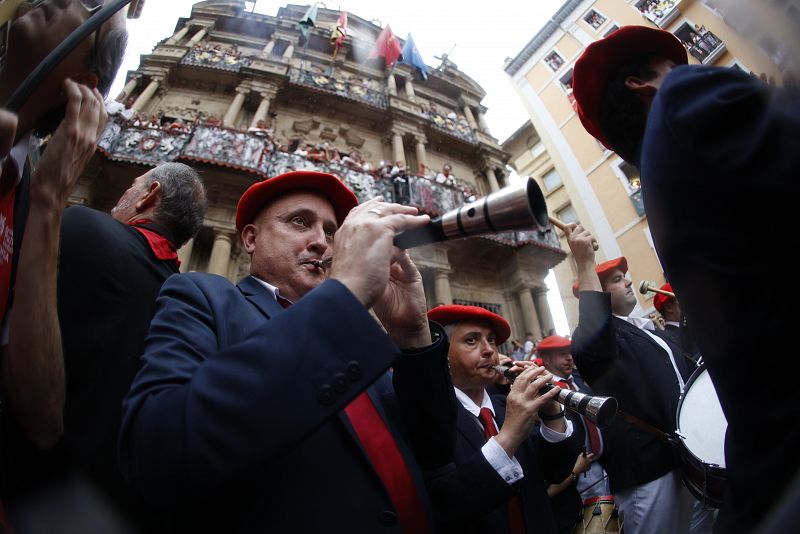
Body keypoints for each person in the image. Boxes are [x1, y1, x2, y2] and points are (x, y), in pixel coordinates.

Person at [119, 171, 456, 532]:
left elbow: (435, 451)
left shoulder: (362, 332)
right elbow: (157, 453)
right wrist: (346, 292)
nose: (322, 244)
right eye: (299, 222)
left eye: (331, 232)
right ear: (251, 238)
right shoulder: (202, 296)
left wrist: (413, 335)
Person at [571, 25, 800, 530]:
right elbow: (590, 352)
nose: (695, 70)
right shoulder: (682, 97)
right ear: (641, 83)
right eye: (678, 64)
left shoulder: (662, 176)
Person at [2, 164, 206, 525]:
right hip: (92, 507)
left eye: (133, 185)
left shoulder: (83, 226)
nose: (124, 194)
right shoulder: (187, 303)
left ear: (149, 195)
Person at [0, 0, 127, 479]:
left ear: (84, 84)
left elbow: (43, 418)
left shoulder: (28, 194)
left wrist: (52, 199)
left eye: (92, 8)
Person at [565, 228, 701, 534]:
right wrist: (585, 262)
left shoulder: (648, 331)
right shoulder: (600, 335)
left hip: (680, 458)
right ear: (597, 294)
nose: (627, 281)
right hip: (647, 469)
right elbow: (592, 341)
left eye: (624, 276)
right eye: (615, 279)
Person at [425, 304, 574, 534]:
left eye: (492, 340)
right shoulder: (432, 419)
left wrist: (552, 413)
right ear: (443, 353)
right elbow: (448, 506)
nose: (489, 350)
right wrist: (510, 435)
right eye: (472, 341)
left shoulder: (506, 406)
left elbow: (556, 471)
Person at [536, 335, 611, 533]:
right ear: (547, 360)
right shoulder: (543, 391)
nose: (569, 358)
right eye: (562, 354)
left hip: (603, 468)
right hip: (575, 479)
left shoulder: (579, 380)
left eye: (570, 353)